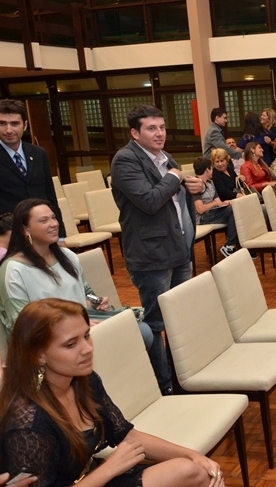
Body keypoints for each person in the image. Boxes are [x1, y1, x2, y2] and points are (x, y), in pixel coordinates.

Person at [0, 298, 225, 487]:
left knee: (194, 470)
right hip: (97, 477)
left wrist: (193, 455)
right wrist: (111, 468)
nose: (88, 349)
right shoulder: (27, 423)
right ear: (38, 355)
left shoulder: (85, 381)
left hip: (96, 476)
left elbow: (127, 436)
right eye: (70, 344)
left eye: (86, 336)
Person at [111, 105, 205, 395]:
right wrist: (175, 178)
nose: (159, 133)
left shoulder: (165, 158)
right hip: (151, 254)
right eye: (151, 128)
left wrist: (194, 188)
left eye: (162, 127)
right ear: (135, 133)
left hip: (178, 248)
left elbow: (174, 199)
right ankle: (164, 385)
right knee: (156, 322)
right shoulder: (125, 160)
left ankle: (183, 376)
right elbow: (150, 201)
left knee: (181, 315)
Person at [0, 199, 154, 368]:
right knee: (135, 335)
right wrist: (76, 327)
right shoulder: (13, 269)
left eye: (53, 218)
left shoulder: (66, 255)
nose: (53, 224)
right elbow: (22, 324)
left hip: (81, 323)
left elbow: (85, 292)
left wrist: (95, 302)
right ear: (25, 229)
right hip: (46, 337)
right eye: (43, 221)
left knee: (142, 330)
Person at [0, 99, 65, 239]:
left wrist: (61, 236)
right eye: (2, 124)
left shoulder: (39, 153)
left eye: (15, 124)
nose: (9, 130)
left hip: (42, 233)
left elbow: (50, 197)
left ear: (25, 125)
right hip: (8, 235)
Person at [192, 157, 239, 258]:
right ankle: (230, 245)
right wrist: (214, 203)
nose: (213, 170)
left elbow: (218, 202)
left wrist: (226, 203)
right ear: (207, 170)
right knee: (232, 210)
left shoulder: (210, 182)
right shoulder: (195, 185)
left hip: (214, 212)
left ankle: (234, 245)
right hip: (202, 218)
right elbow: (200, 209)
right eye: (211, 168)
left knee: (235, 207)